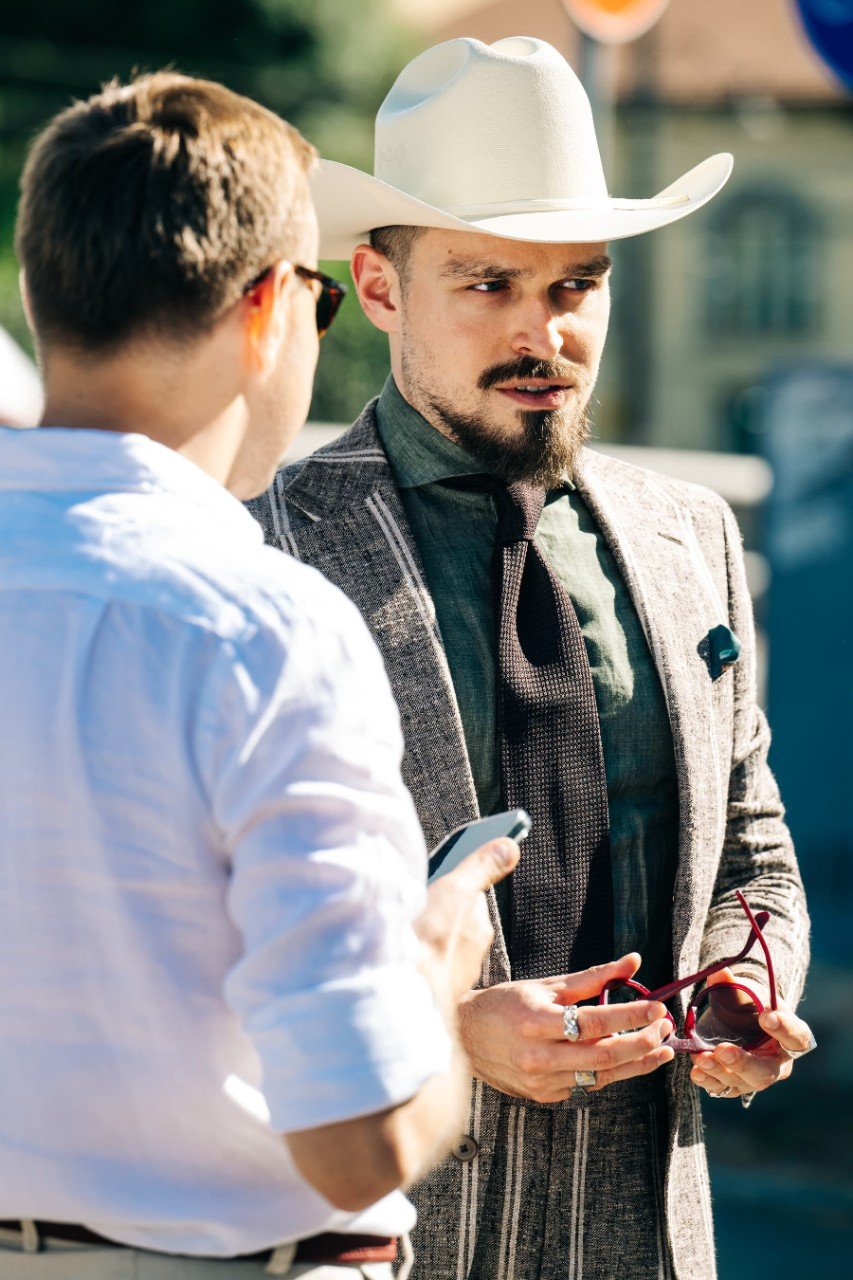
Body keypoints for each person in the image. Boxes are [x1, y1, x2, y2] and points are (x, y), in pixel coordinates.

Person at [249, 37, 816, 1280]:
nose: (542, 330)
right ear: (381, 289)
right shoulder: (268, 544)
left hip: (651, 1228)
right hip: (375, 1233)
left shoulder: (688, 539)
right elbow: (190, 924)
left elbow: (750, 835)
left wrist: (744, 975)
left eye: (575, 286)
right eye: (488, 284)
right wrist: (443, 1029)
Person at [0, 72, 521, 1280]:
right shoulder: (262, 626)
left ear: (44, 291)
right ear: (266, 309)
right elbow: (359, 1143)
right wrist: (434, 970)